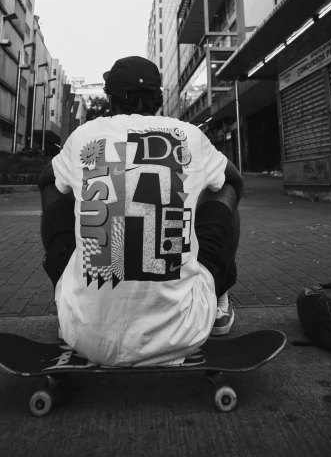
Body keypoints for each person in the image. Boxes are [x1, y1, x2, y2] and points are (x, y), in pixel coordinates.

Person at [37, 56, 243, 367]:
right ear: (159, 99)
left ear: (110, 99)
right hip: (185, 332)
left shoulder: (85, 137)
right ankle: (219, 299)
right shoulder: (187, 135)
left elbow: (46, 180)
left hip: (84, 336)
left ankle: (69, 293)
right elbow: (234, 181)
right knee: (223, 189)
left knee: (58, 190)